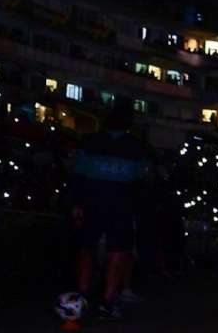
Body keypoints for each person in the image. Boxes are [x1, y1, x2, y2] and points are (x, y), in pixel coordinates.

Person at [70, 104, 150, 320]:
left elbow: (77, 175)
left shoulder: (90, 142)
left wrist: (76, 204)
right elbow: (142, 181)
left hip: (91, 203)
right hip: (121, 206)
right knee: (118, 252)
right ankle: (107, 301)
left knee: (86, 248)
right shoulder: (136, 148)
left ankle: (82, 297)